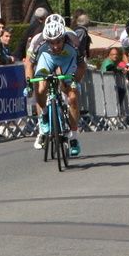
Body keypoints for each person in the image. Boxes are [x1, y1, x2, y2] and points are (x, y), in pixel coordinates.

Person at [31, 15, 81, 158]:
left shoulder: (73, 40)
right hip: (47, 58)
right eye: (51, 42)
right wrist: (29, 82)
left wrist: (74, 82)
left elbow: (82, 65)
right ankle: (44, 114)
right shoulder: (38, 41)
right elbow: (29, 63)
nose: (55, 46)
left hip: (67, 58)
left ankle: (74, 138)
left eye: (58, 41)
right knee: (41, 87)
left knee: (72, 97)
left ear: (64, 37)